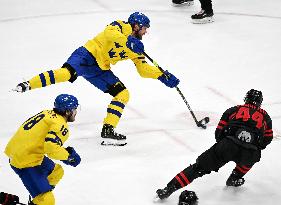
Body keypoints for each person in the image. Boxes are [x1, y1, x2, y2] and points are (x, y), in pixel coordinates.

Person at [13, 12, 180, 146]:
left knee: (123, 94)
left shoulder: (137, 47)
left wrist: (161, 75)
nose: (146, 32)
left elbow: (143, 69)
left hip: (100, 68)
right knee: (66, 74)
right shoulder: (122, 26)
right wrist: (127, 40)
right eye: (144, 28)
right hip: (87, 55)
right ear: (136, 26)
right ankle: (28, 84)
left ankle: (108, 130)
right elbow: (110, 32)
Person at [155, 89, 273, 204]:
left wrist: (223, 147)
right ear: (260, 102)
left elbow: (218, 133)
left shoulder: (233, 110)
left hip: (227, 146)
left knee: (197, 168)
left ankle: (169, 189)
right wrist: (253, 146)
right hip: (250, 153)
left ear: (246, 99)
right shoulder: (266, 117)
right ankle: (235, 177)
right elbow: (267, 139)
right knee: (250, 158)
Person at [4, 94, 81, 205]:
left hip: (20, 152)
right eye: (74, 109)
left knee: (57, 172)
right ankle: (40, 199)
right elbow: (51, 148)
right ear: (67, 112)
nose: (76, 112)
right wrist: (69, 157)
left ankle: (38, 197)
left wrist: (63, 152)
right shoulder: (61, 125)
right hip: (25, 162)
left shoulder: (46, 113)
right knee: (47, 201)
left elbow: (46, 141)